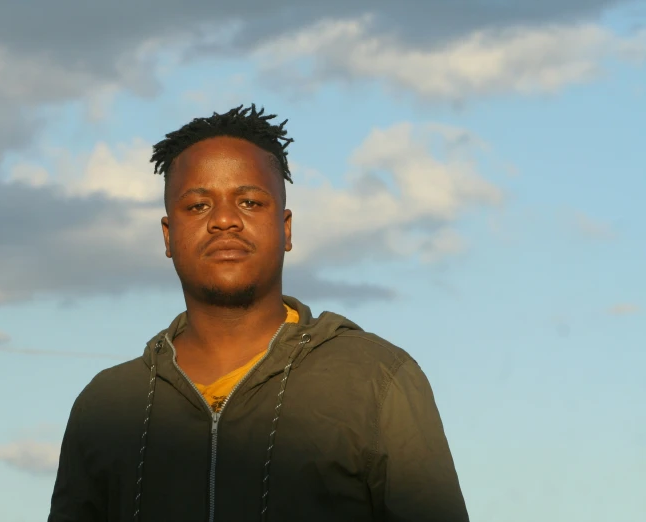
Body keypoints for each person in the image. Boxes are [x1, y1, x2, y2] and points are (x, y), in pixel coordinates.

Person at [47, 105, 469, 522]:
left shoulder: (376, 379)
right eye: (197, 206)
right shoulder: (106, 407)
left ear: (285, 229)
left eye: (249, 202)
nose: (225, 220)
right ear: (168, 235)